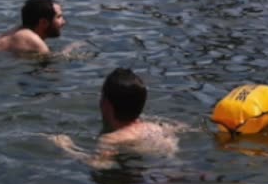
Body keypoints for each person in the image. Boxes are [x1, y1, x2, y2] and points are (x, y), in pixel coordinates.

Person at [48, 68, 182, 168]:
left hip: (151, 177)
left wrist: (67, 148)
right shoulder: (155, 127)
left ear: (106, 104)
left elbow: (99, 165)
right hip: (171, 166)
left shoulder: (111, 139)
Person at [0, 0, 67, 55]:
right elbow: (50, 69)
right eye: (59, 17)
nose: (64, 22)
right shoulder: (33, 41)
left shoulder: (21, 31)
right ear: (43, 22)